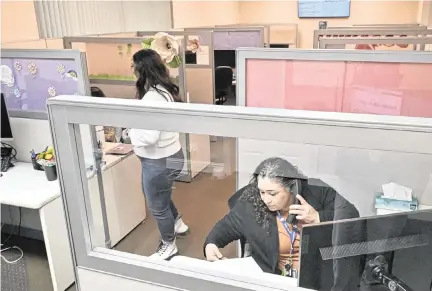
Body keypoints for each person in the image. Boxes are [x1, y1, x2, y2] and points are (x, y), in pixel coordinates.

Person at [204, 157, 361, 290]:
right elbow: (224, 228)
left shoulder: (318, 194)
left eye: (272, 193)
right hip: (272, 281)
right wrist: (210, 244)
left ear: (292, 187)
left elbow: (352, 218)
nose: (265, 199)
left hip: (315, 281)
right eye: (262, 192)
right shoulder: (251, 205)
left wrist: (318, 217)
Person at [128, 49, 188, 260]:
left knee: (157, 206)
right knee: (163, 195)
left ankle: (168, 244)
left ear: (142, 69)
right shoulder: (163, 90)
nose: (132, 70)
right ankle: (178, 223)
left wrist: (129, 131)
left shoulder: (152, 97)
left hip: (158, 163)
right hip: (173, 155)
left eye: (133, 66)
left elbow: (149, 137)